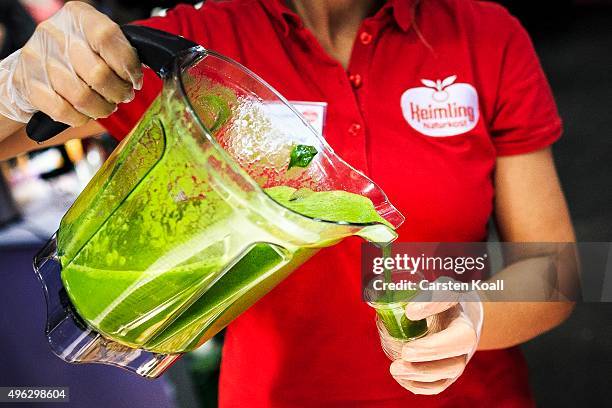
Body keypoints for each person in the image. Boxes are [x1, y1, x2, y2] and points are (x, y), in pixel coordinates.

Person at [0, 0, 575, 406]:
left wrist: (473, 309)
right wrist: (19, 81)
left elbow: (557, 271)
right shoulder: (200, 44)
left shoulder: (484, 32)